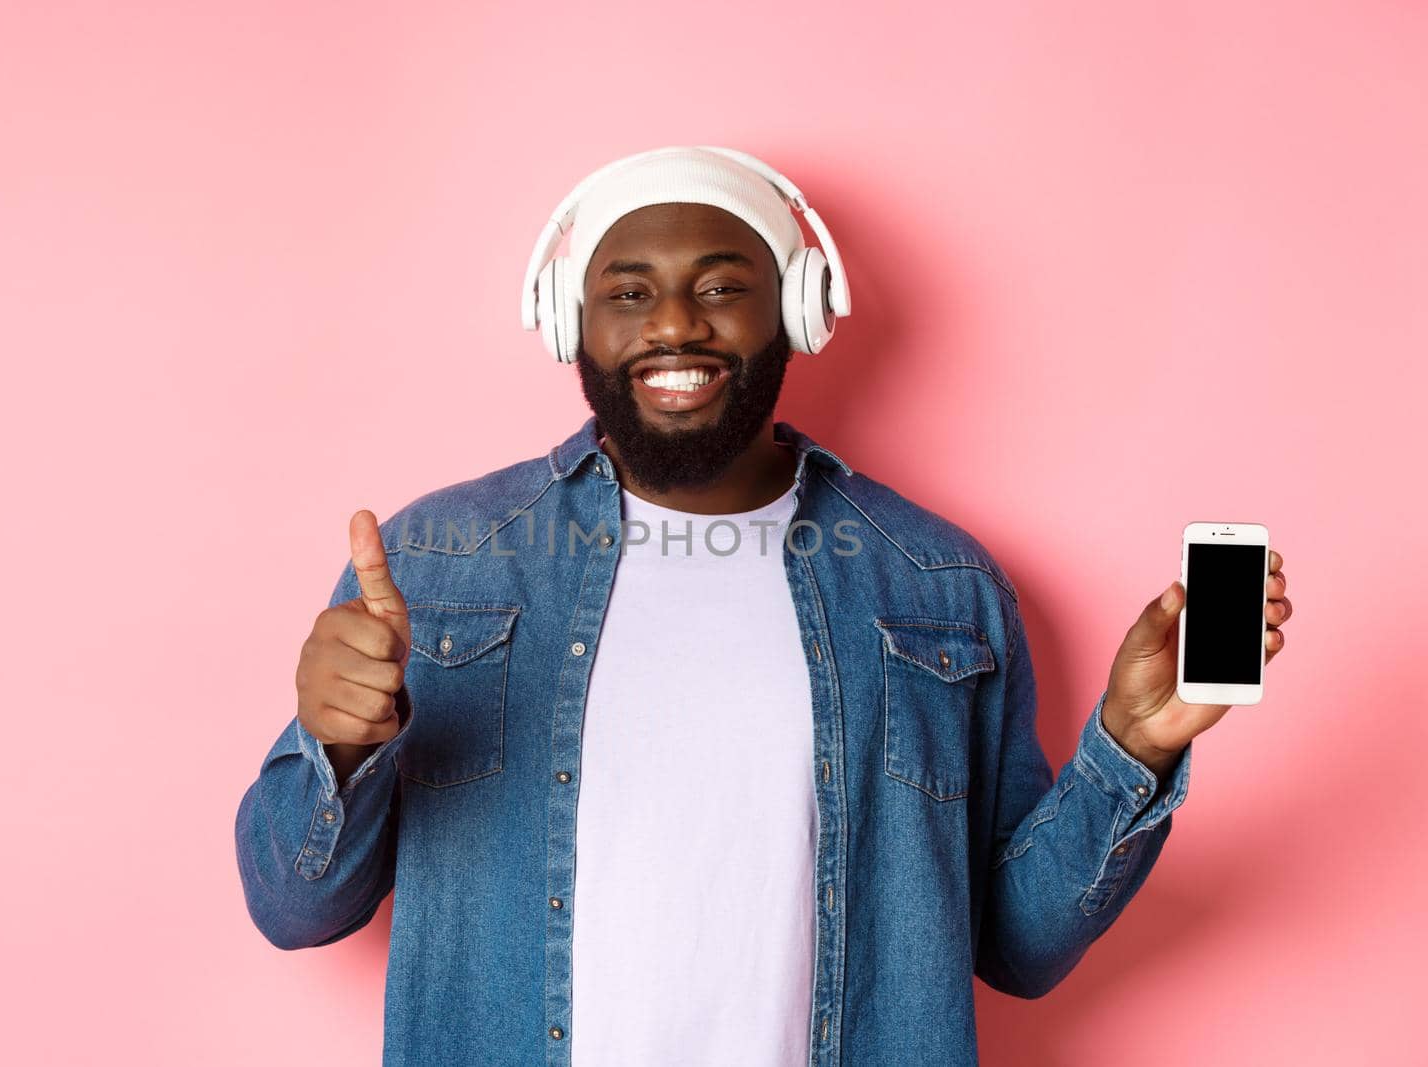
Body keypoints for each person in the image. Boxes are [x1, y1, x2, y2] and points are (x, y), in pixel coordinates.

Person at [233, 146, 1293, 1066]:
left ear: (795, 307)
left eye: (721, 284)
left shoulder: (935, 584)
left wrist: (1133, 749)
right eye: (631, 291)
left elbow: (1017, 947)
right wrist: (333, 742)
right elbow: (295, 906)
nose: (676, 323)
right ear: (572, 320)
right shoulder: (437, 563)